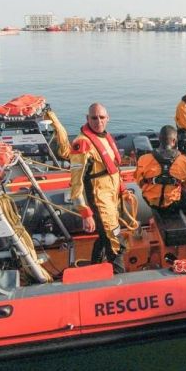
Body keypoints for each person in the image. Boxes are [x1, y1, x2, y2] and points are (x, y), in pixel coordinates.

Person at [69, 103, 126, 273]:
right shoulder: (83, 143)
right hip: (100, 200)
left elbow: (113, 168)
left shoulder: (104, 137)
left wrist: (122, 188)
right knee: (115, 241)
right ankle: (119, 279)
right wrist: (85, 212)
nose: (98, 121)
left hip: (111, 196)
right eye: (94, 118)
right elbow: (76, 182)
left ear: (107, 118)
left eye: (101, 117)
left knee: (104, 236)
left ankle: (95, 269)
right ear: (87, 119)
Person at [134, 125, 186, 211]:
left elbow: (140, 183)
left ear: (159, 139)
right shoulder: (183, 160)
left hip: (150, 201)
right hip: (173, 204)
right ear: (174, 141)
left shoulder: (143, 159)